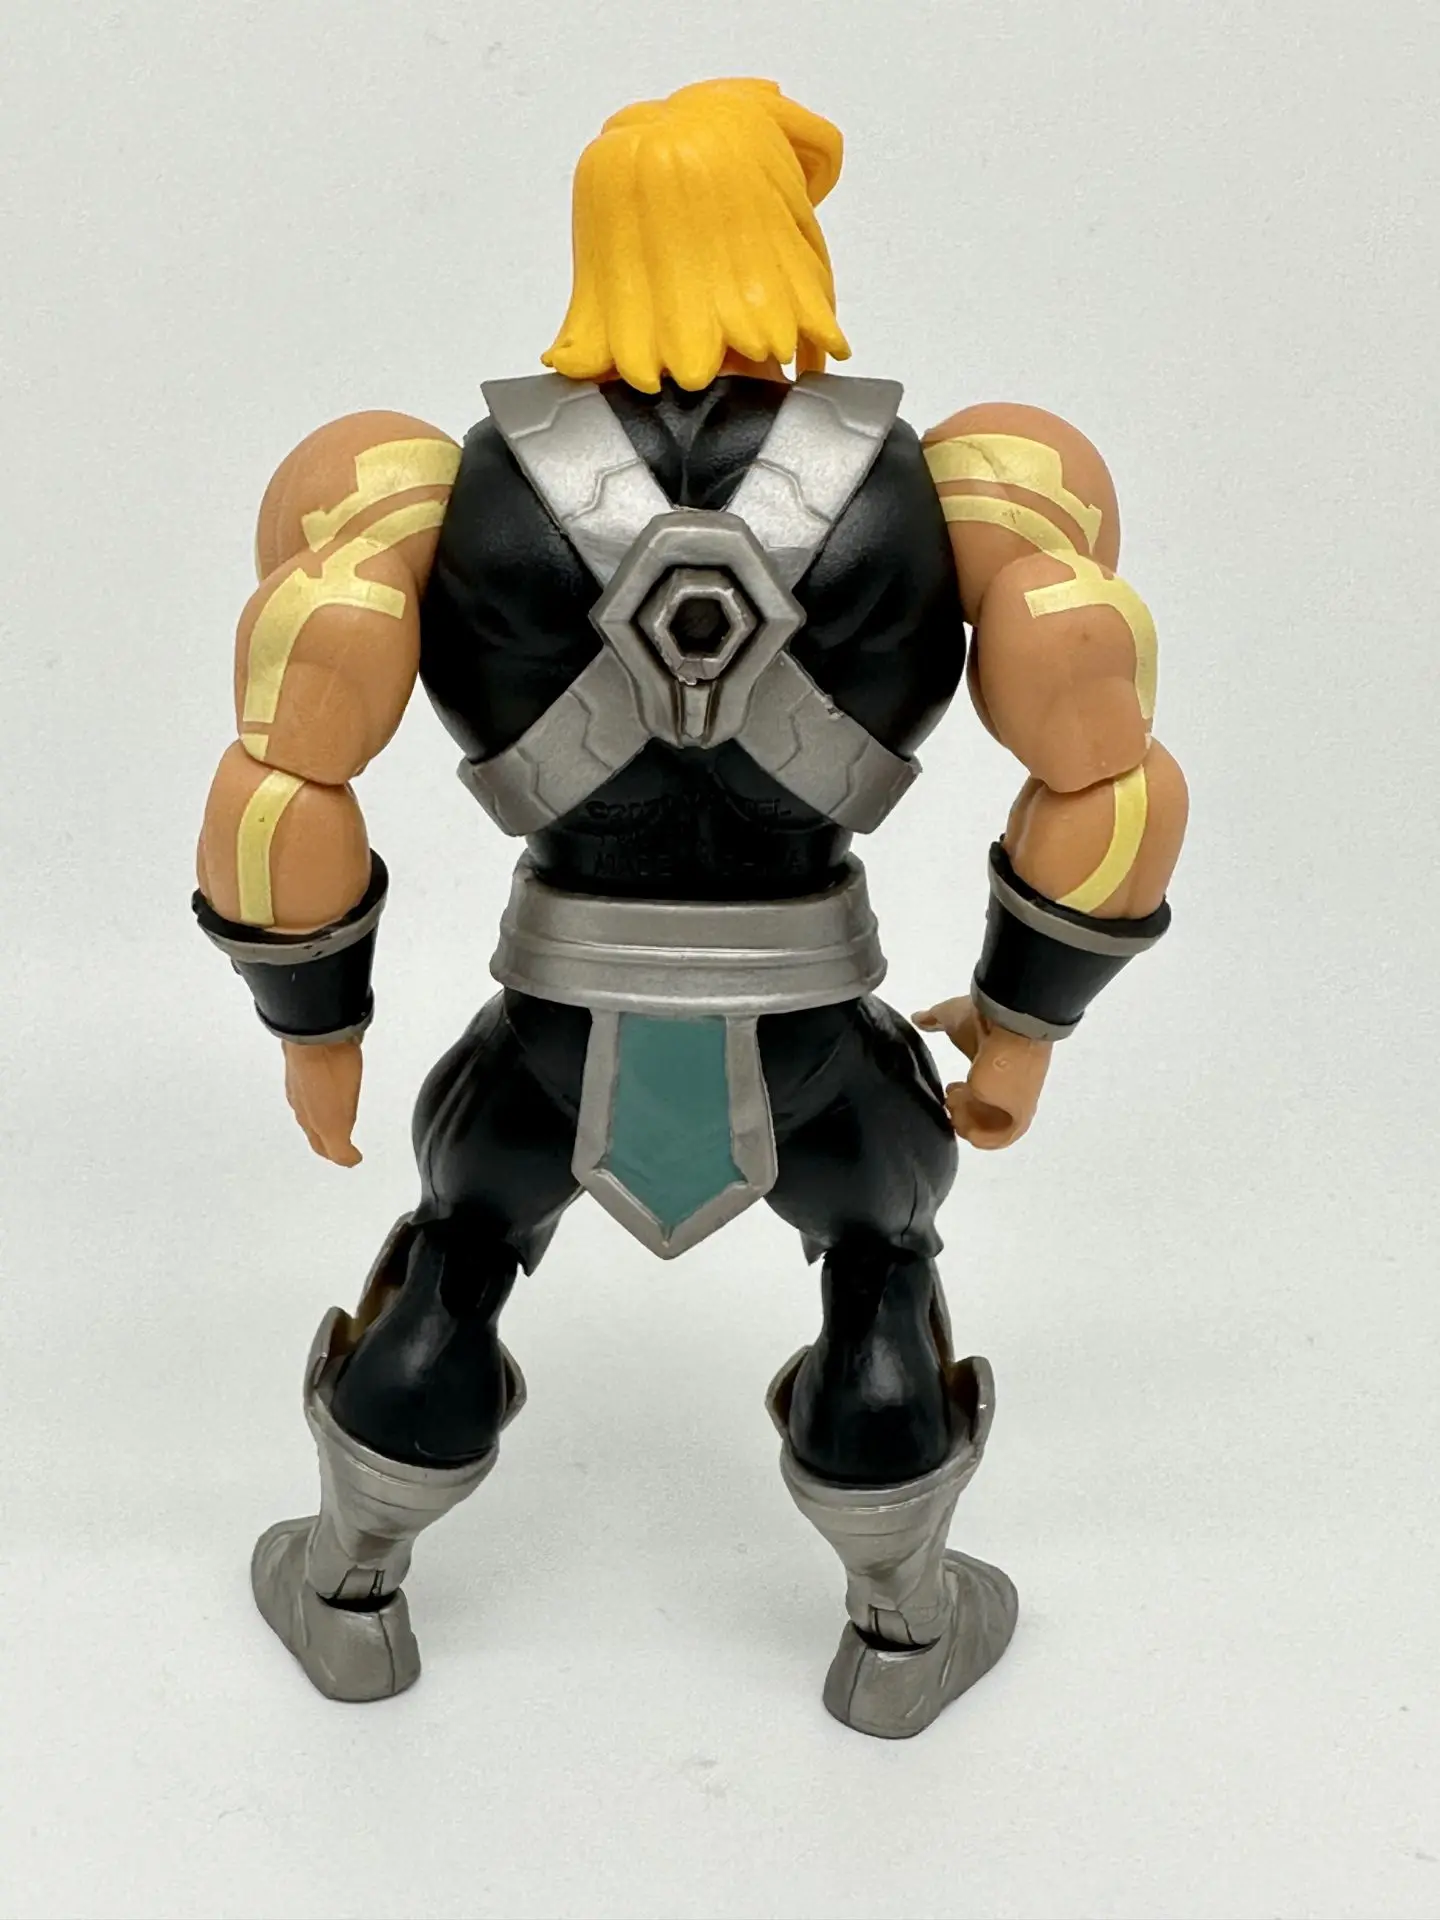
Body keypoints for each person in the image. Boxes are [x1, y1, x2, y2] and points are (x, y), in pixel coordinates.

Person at [194, 77, 1187, 1738]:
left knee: (458, 1251)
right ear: (780, 233)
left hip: (552, 1033)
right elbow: (1106, 774)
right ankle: (902, 1635)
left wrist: (319, 1035)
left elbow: (286, 779)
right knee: (880, 1264)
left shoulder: (429, 489)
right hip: (814, 1043)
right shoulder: (959, 492)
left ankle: (350, 1592)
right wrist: (1022, 1023)